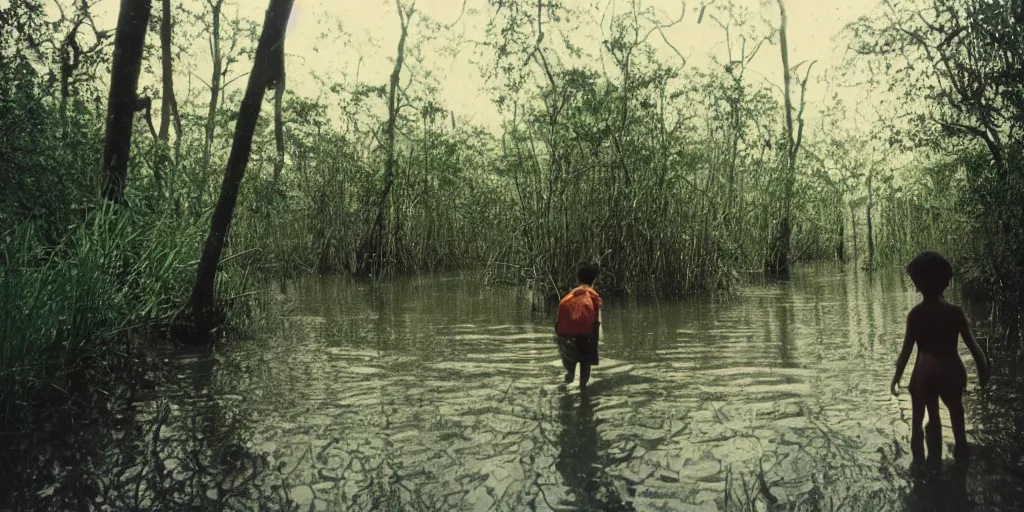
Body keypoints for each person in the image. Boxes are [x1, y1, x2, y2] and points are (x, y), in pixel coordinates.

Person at [891, 251, 990, 471]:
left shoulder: (915, 315)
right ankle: (961, 468)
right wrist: (983, 372)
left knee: (928, 421)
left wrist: (896, 378)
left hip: (925, 376)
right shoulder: (955, 312)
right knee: (957, 418)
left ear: (919, 285)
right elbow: (973, 347)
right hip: (951, 373)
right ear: (945, 282)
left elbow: (906, 351)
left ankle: (924, 468)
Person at [556, 263, 602, 391]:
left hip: (565, 339)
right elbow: (596, 324)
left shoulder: (567, 298)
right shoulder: (593, 297)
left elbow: (558, 324)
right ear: (594, 280)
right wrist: (593, 351)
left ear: (578, 279)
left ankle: (564, 391)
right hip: (584, 340)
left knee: (569, 375)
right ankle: (583, 394)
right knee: (584, 379)